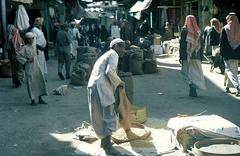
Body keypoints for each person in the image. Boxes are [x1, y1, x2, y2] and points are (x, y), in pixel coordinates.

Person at [88, 38, 143, 155]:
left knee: (100, 115)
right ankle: (108, 147)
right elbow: (110, 72)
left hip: (94, 86)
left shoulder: (107, 54)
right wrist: (119, 82)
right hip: (101, 87)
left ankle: (104, 142)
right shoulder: (113, 54)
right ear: (116, 47)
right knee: (110, 116)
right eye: (122, 47)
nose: (124, 50)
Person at [16, 32, 47, 106]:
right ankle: (33, 100)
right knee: (31, 83)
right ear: (27, 40)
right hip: (29, 67)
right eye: (29, 39)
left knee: (39, 81)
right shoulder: (24, 48)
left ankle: (40, 98)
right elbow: (18, 56)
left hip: (37, 66)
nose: (31, 40)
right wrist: (26, 60)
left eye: (32, 38)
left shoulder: (34, 45)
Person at [179, 15, 206, 97]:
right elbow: (202, 45)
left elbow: (182, 45)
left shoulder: (184, 30)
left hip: (187, 56)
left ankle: (191, 86)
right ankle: (193, 88)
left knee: (185, 72)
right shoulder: (198, 31)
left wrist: (181, 57)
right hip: (197, 56)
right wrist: (201, 56)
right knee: (195, 73)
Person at [220, 12, 240, 96]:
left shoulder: (225, 28)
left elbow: (222, 42)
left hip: (227, 54)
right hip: (236, 53)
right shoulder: (239, 28)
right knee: (234, 70)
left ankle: (238, 86)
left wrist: (221, 53)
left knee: (229, 71)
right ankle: (227, 87)